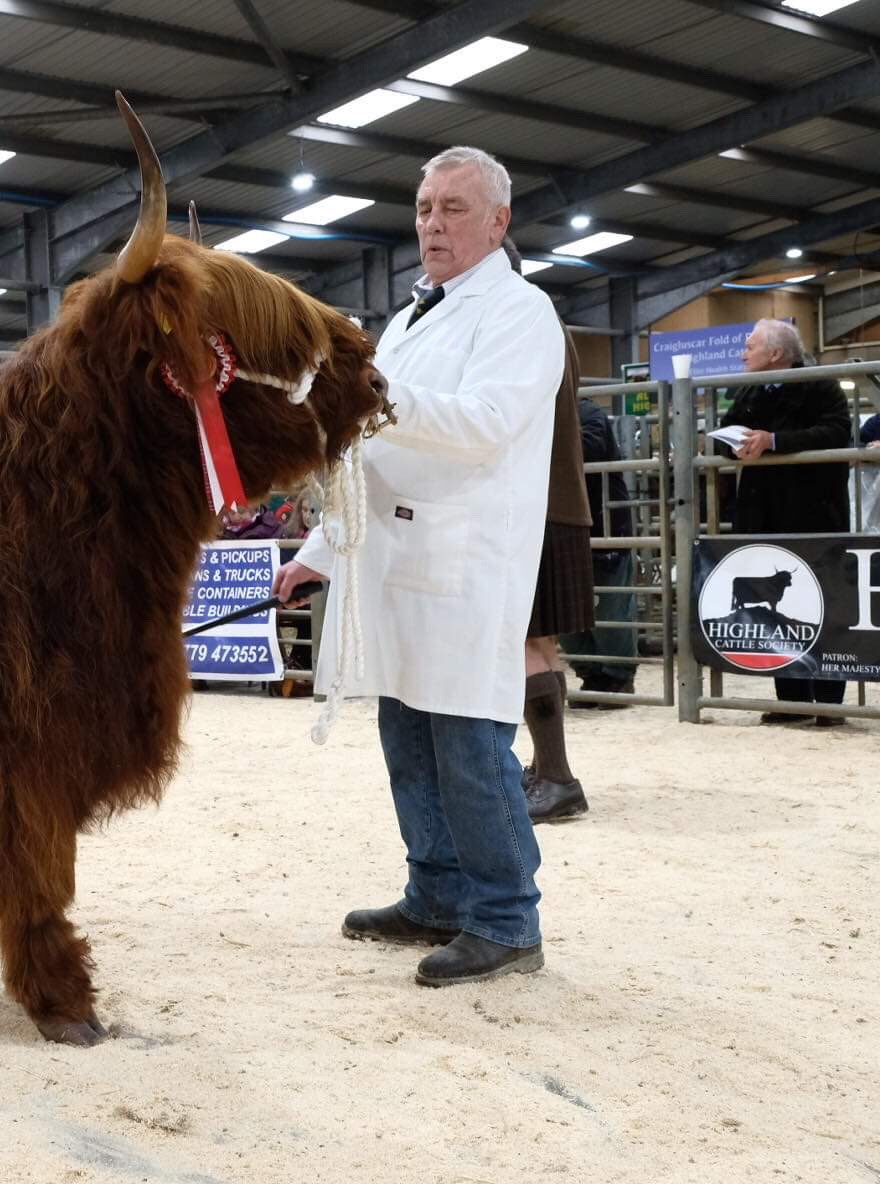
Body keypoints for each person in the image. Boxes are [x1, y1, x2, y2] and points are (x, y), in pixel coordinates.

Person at [274, 146, 563, 987]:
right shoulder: (408, 320)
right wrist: (318, 554)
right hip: (397, 561)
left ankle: (507, 919)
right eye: (425, 206)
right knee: (406, 735)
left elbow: (481, 425)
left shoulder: (520, 311)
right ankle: (434, 893)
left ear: (499, 221)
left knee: (470, 746)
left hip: (466, 561)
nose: (433, 223)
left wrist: (368, 392)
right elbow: (369, 457)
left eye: (454, 208)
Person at [719, 319, 851, 727]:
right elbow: (723, 435)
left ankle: (828, 702)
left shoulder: (820, 383)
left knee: (822, 604)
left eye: (751, 345)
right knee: (776, 610)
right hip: (763, 512)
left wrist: (773, 441)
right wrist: (732, 444)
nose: (744, 352)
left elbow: (836, 431)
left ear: (776, 354)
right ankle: (791, 698)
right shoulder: (748, 390)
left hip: (814, 510)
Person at [504, 237, 595, 825]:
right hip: (558, 503)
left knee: (525, 642)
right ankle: (546, 766)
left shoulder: (519, 320)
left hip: (532, 505)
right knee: (537, 643)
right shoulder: (551, 324)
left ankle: (558, 777)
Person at [561, 397, 638, 701]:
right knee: (566, 611)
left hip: (604, 522)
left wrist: (546, 432)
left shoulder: (586, 411)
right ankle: (590, 674)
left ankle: (618, 676)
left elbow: (590, 447)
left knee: (611, 603)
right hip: (563, 525)